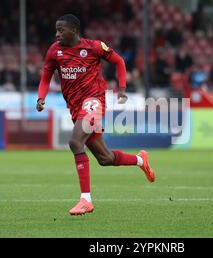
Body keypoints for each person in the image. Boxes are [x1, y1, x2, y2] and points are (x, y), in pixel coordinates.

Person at [36, 14, 155, 215]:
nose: (57, 34)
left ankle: (86, 200)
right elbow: (46, 76)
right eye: (56, 30)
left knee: (75, 142)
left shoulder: (94, 47)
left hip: (94, 102)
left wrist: (122, 88)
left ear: (74, 30)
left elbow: (119, 62)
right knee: (105, 158)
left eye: (61, 30)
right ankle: (141, 161)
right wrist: (41, 97)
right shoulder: (54, 51)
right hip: (75, 107)